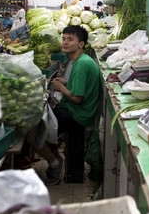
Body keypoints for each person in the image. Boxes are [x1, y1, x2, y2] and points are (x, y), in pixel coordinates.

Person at [26, 25, 103, 185]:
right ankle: (54, 158)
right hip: (77, 110)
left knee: (32, 132)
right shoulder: (81, 61)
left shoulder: (80, 65)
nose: (65, 43)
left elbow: (77, 98)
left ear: (81, 44)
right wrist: (66, 82)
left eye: (70, 39)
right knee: (42, 119)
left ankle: (55, 163)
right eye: (64, 39)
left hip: (78, 114)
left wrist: (61, 88)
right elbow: (79, 88)